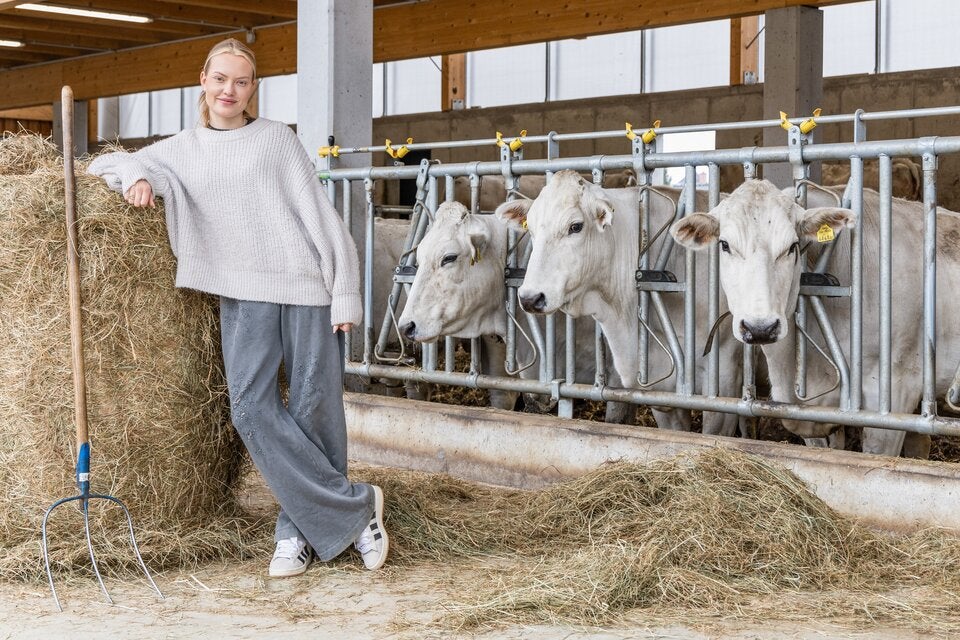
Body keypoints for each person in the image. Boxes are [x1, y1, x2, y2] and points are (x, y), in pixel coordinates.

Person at [88, 37, 388, 577]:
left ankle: (296, 532)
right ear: (203, 79)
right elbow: (106, 162)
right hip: (243, 292)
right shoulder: (181, 147)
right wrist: (136, 176)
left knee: (314, 407)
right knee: (249, 410)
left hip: (305, 285)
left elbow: (319, 215)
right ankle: (354, 506)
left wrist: (344, 288)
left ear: (253, 90)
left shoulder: (276, 140)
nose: (230, 89)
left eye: (242, 81)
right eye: (221, 78)